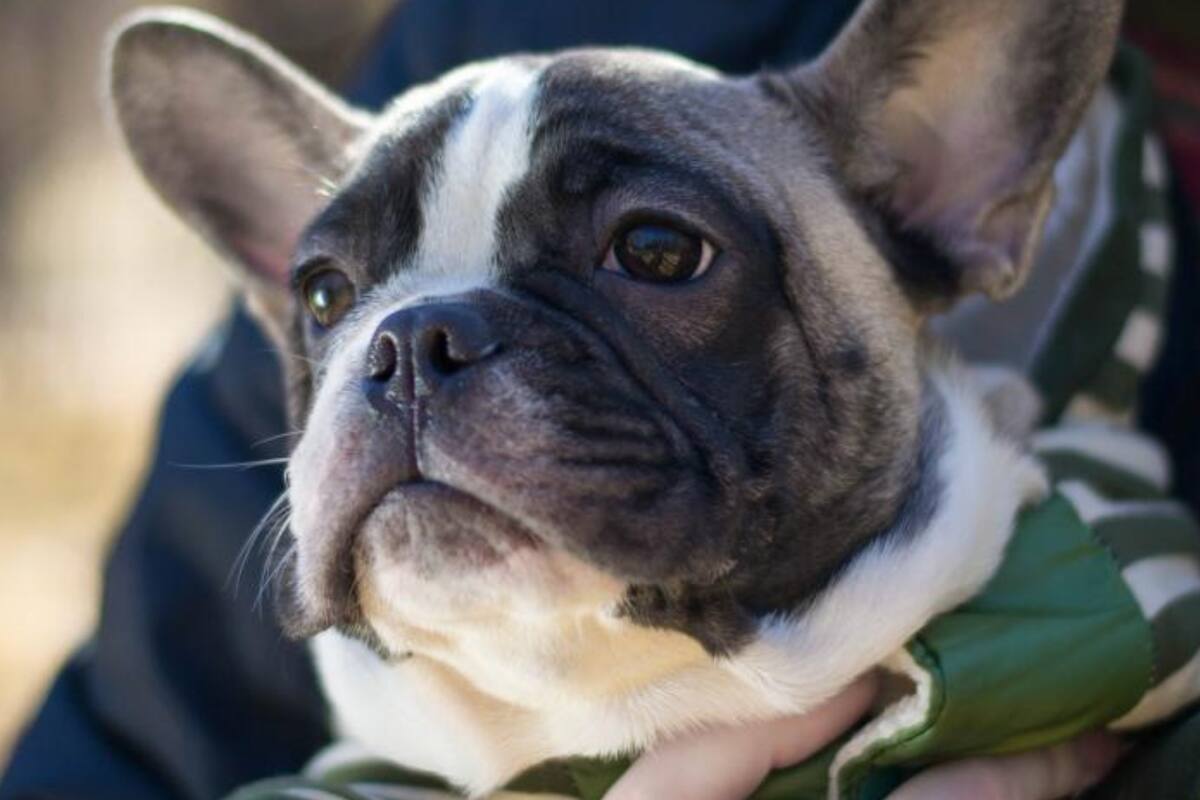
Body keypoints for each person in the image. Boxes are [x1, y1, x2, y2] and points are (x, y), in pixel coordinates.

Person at [2, 2, 1198, 798]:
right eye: (330, 293)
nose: (414, 357)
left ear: (940, 194)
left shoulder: (1116, 626)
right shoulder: (496, 19)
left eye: (655, 254)